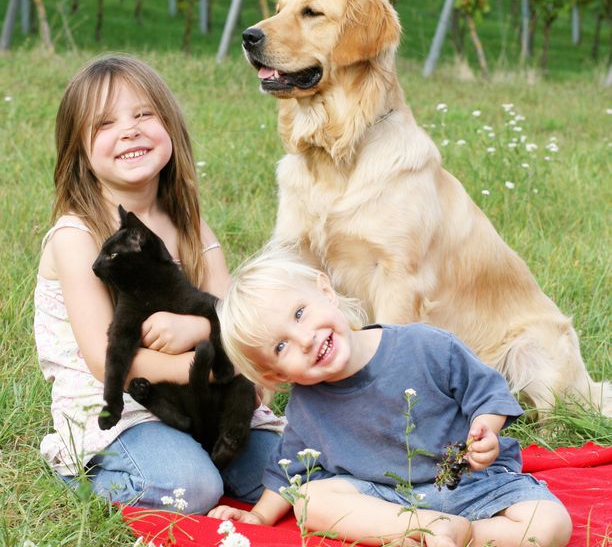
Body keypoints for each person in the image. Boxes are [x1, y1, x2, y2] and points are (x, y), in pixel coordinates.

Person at [34, 53, 283, 514]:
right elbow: (102, 359)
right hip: (121, 407)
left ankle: (204, 455)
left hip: (200, 398)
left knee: (293, 471)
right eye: (104, 123)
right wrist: (204, 367)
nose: (129, 129)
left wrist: (214, 343)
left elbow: (234, 314)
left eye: (144, 114)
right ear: (80, 152)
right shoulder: (78, 236)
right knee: (191, 487)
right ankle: (90, 469)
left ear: (169, 126)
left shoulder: (188, 223)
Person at [208, 245, 573, 547]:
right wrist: (257, 515)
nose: (305, 339)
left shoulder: (423, 345)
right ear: (277, 375)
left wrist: (486, 431)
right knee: (310, 502)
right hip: (386, 499)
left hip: (468, 482)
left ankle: (463, 536)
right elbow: (289, 470)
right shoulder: (308, 403)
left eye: (300, 313)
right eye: (281, 346)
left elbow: (487, 390)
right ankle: (420, 529)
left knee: (551, 523)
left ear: (325, 290)